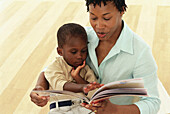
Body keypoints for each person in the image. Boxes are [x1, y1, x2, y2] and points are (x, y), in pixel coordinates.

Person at [30, 0, 161, 114]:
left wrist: (114, 111)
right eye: (93, 18)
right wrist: (39, 88)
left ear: (122, 11)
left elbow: (152, 102)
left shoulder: (140, 52)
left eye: (106, 18)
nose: (99, 26)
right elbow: (53, 67)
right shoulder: (82, 37)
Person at [31, 23, 102, 114]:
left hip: (83, 108)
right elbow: (61, 85)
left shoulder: (86, 69)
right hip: (59, 109)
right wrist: (82, 87)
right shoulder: (54, 67)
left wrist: (77, 77)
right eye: (73, 52)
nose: (79, 56)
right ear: (60, 51)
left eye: (84, 51)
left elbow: (93, 93)